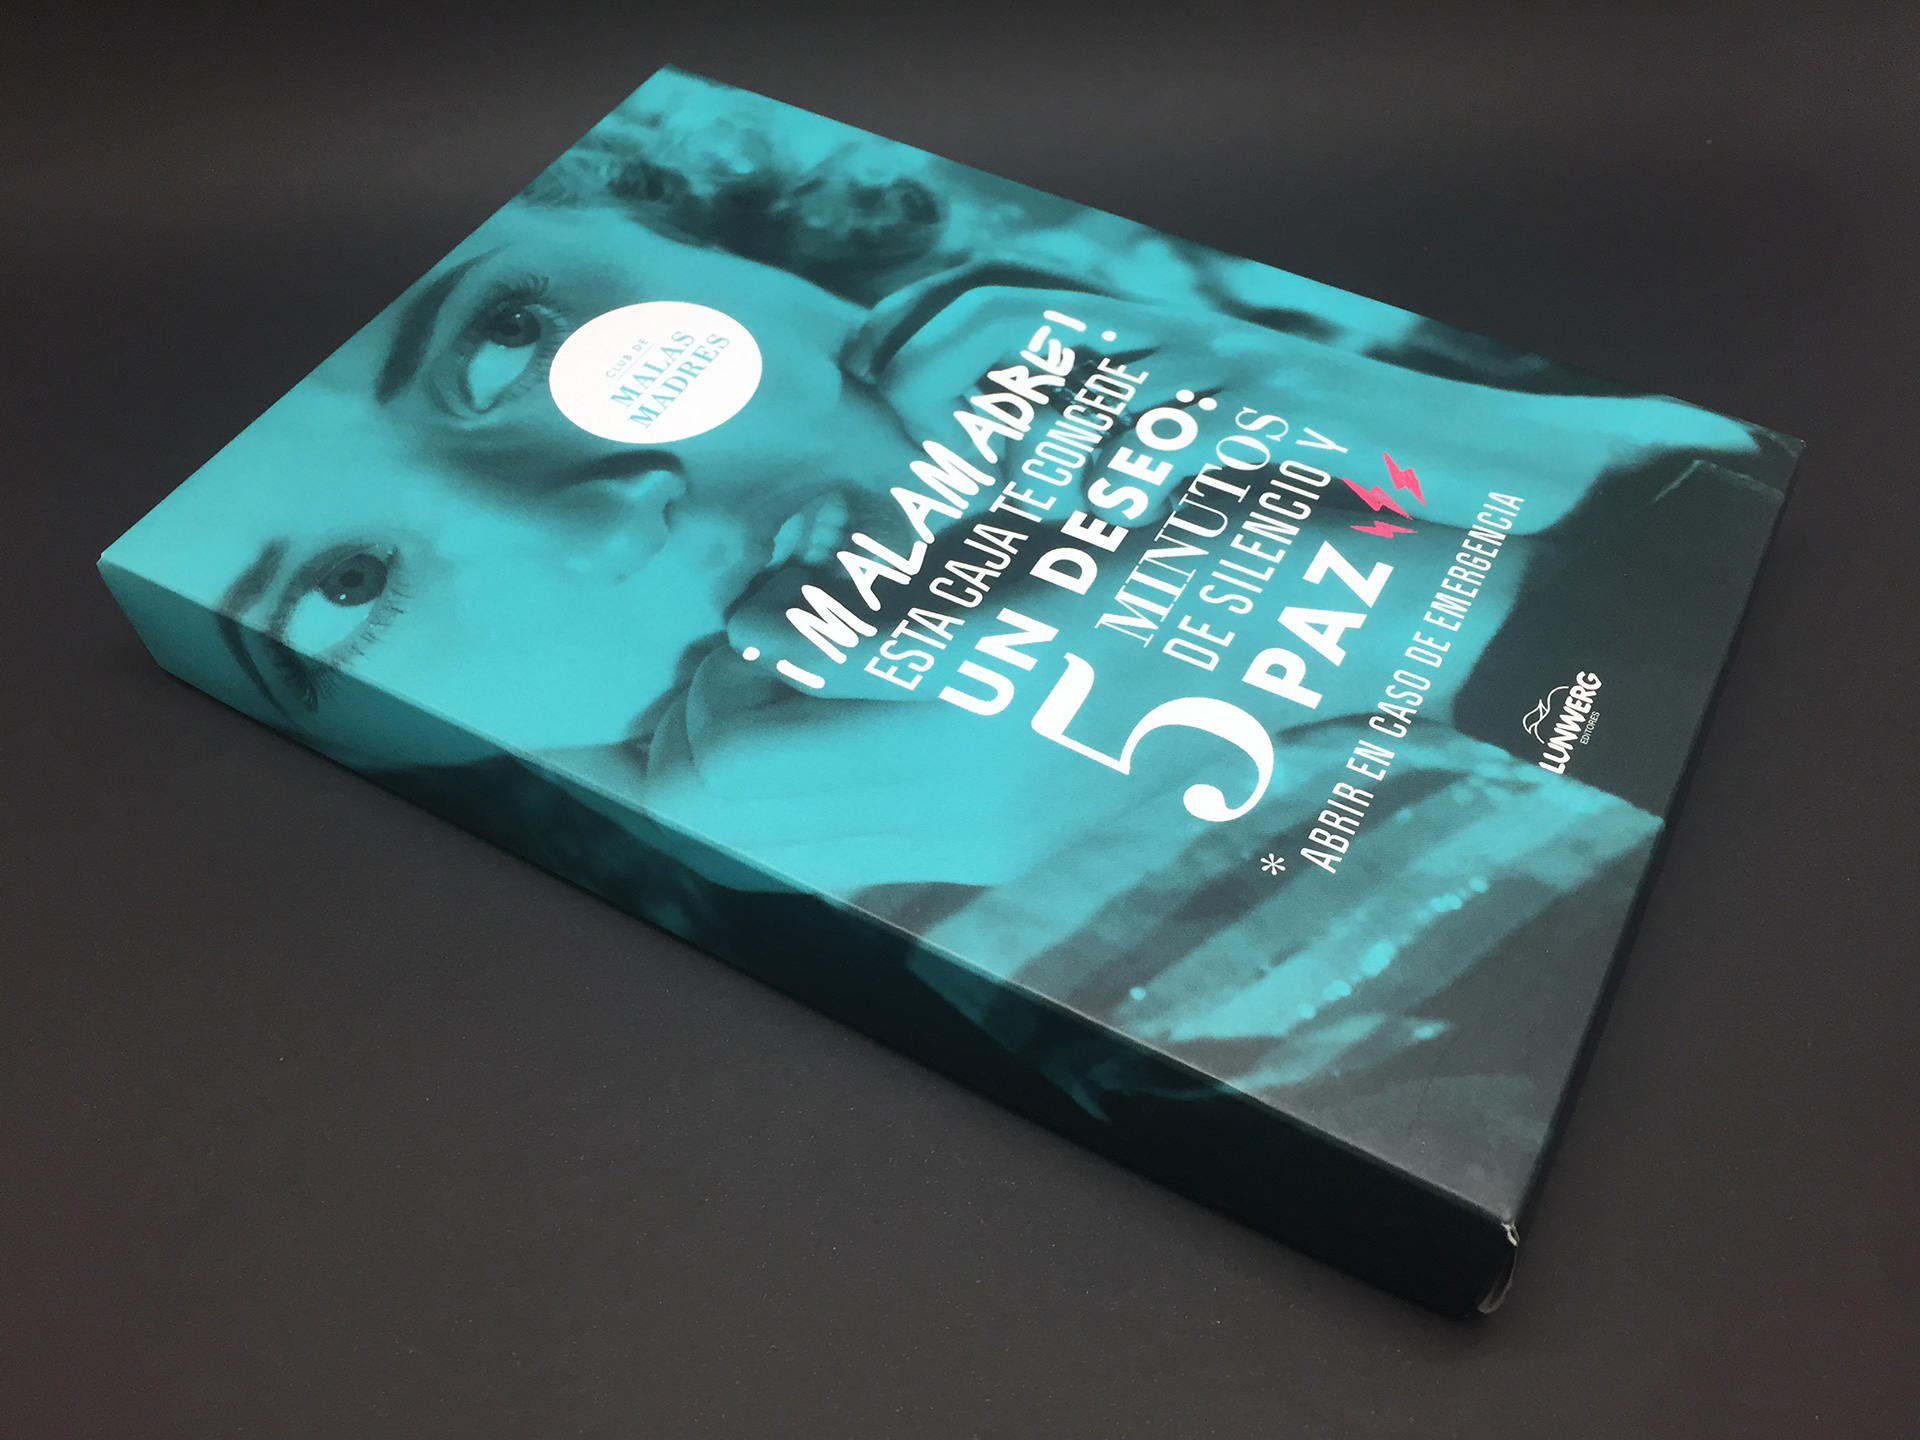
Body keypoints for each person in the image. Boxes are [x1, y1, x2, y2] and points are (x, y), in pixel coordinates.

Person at [104, 73, 1791, 1174]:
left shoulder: (1221, 319)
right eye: (346, 589)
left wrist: (1508, 478)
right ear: (383, 742)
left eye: (509, 335)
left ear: (708, 240)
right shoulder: (908, 970)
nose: (610, 513)